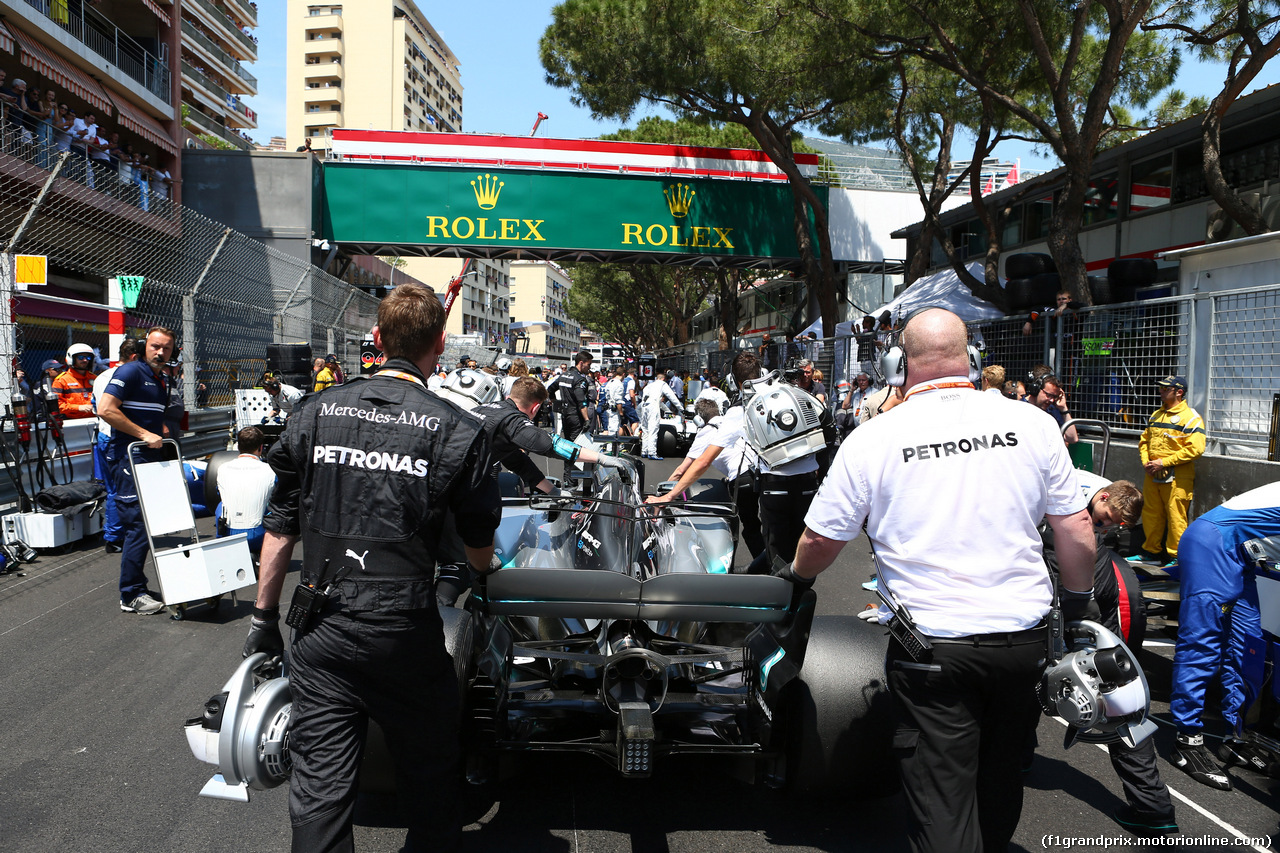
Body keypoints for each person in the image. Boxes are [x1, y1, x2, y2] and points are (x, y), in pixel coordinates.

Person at [790, 307, 1096, 853]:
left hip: (933, 651)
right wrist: (1079, 607)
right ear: (971, 357)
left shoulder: (873, 437)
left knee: (941, 800)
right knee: (1000, 776)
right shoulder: (1033, 423)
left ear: (899, 364)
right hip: (1023, 641)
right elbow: (1075, 528)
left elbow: (820, 542)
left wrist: (796, 579)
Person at [243, 283, 500, 852]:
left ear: (377, 341)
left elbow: (281, 524)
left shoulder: (311, 412)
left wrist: (263, 618)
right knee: (432, 776)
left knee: (320, 788)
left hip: (320, 624)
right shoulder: (459, 430)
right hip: (404, 632)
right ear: (439, 346)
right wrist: (481, 570)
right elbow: (481, 545)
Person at [1039, 470, 1177, 835]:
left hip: (1098, 623)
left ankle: (1153, 809)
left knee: (1121, 711)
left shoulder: (1086, 522)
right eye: (1102, 523)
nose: (1102, 530)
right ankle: (1154, 807)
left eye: (1110, 528)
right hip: (1091, 608)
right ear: (1100, 499)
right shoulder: (1066, 496)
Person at [1168, 482, 1280, 792]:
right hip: (1213, 543)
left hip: (1246, 552)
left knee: (1250, 648)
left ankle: (1236, 738)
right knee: (1201, 645)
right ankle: (1186, 740)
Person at [647, 352, 766, 561]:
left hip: (742, 479)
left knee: (741, 525)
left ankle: (756, 566)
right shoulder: (735, 417)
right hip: (762, 472)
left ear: (699, 420)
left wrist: (665, 495)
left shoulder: (705, 432)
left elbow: (683, 469)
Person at [98, 327, 177, 616]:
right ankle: (130, 594)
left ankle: (138, 586)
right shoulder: (131, 372)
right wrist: (144, 434)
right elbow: (105, 409)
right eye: (156, 346)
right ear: (145, 347)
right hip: (128, 459)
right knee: (137, 526)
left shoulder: (161, 379)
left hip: (149, 460)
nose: (160, 352)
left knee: (151, 525)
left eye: (166, 348)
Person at [1135, 375, 1204, 566]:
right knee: (1151, 512)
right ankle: (1151, 553)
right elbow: (1144, 441)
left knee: (1176, 515)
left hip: (1177, 477)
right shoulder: (1156, 415)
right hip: (1153, 474)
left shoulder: (1191, 418)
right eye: (1161, 388)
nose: (1161, 391)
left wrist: (1164, 463)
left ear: (1179, 392)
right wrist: (1147, 463)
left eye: (1166, 389)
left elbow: (1196, 449)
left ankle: (1176, 558)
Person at [92, 338, 138, 554]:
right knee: (123, 490)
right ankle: (117, 536)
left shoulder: (101, 376)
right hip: (117, 437)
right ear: (134, 357)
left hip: (103, 435)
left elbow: (95, 405)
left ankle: (115, 535)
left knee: (113, 489)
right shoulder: (129, 376)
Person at [215, 426, 276, 555]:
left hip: (230, 534)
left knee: (221, 505)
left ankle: (222, 544)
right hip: (257, 535)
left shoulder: (222, 468)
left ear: (238, 447)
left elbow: (218, 493)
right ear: (260, 448)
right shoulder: (270, 470)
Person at [1026, 370, 1078, 444]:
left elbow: (1072, 439)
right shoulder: (1019, 407)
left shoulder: (1051, 410)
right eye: (1048, 395)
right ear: (1036, 390)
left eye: (1054, 396)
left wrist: (1063, 408)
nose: (1052, 400)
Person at [640, 372, 682, 459]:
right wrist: (681, 409)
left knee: (645, 429)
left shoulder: (649, 386)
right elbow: (672, 397)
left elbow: (659, 403)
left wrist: (668, 411)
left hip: (644, 406)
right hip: (653, 407)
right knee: (653, 429)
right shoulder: (662, 384)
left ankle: (644, 450)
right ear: (663, 379)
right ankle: (652, 453)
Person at [555, 351, 593, 441]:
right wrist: (587, 419)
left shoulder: (563, 375)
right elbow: (581, 401)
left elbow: (550, 389)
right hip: (575, 416)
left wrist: (556, 404)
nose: (589, 368)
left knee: (568, 441)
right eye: (588, 364)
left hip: (565, 414)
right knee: (576, 444)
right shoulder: (579, 379)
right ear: (581, 363)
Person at [53, 343, 97, 418]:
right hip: (72, 421)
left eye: (88, 358)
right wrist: (78, 408)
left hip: (94, 419)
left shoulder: (95, 378)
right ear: (72, 359)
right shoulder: (62, 380)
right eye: (80, 357)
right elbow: (56, 405)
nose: (85, 360)